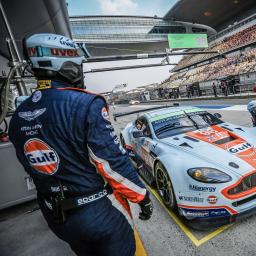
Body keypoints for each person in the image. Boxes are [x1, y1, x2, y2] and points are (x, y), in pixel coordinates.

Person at [8, 33, 152, 255]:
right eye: (77, 64)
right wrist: (141, 196)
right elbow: (111, 161)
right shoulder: (86, 103)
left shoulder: (18, 115)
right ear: (65, 64)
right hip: (97, 212)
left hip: (55, 215)